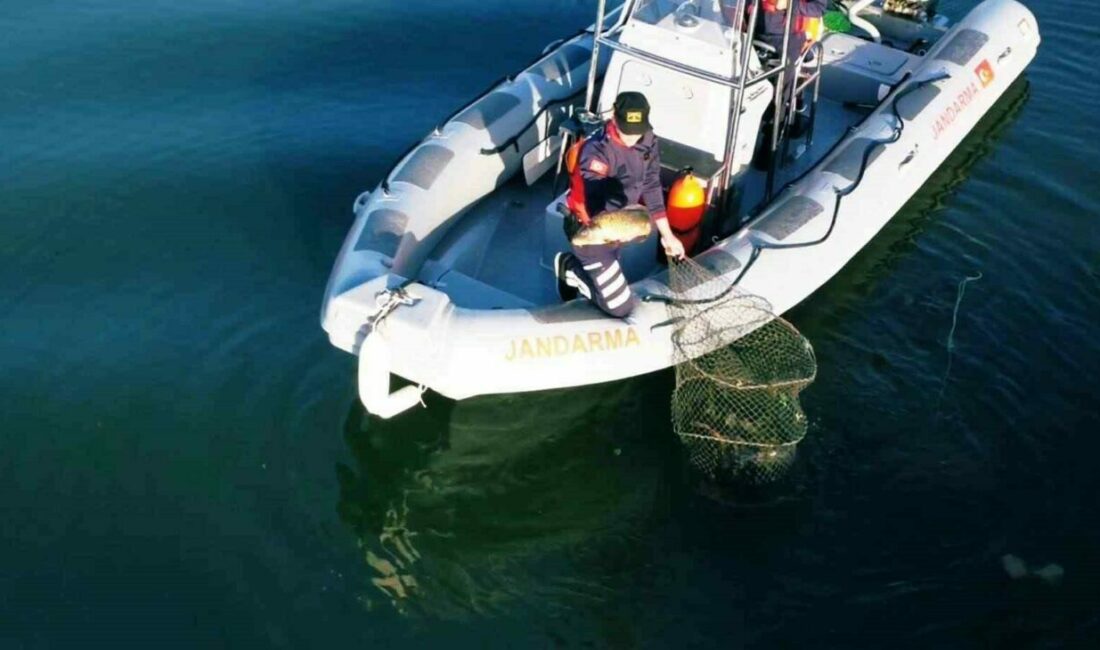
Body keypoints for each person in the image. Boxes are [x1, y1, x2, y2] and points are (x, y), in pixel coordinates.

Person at [554, 92, 685, 318]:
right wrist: (621, 224)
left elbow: (652, 184)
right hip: (592, 229)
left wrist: (668, 236)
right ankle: (571, 268)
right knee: (620, 308)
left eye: (637, 132)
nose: (632, 139)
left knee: (620, 258)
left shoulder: (648, 139)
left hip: (620, 224)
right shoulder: (596, 151)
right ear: (614, 117)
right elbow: (596, 200)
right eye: (626, 132)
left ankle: (598, 270)